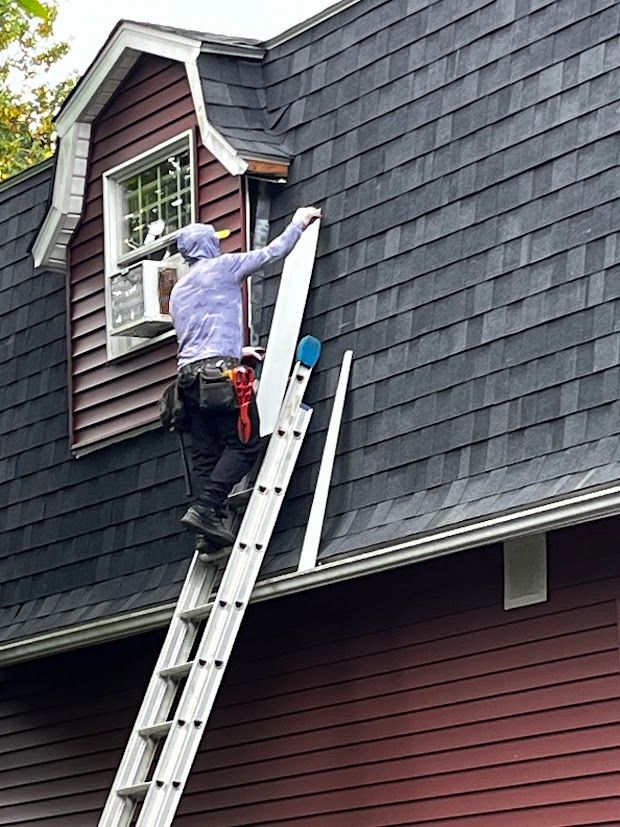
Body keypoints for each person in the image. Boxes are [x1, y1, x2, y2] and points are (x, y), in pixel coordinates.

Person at [169, 206, 321, 548]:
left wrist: (239, 351)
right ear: (209, 245)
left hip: (188, 381)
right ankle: (205, 509)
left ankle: (207, 535)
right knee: (244, 444)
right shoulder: (223, 267)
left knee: (206, 455)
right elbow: (273, 252)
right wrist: (298, 221)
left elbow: (198, 336)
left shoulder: (177, 291)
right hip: (220, 377)